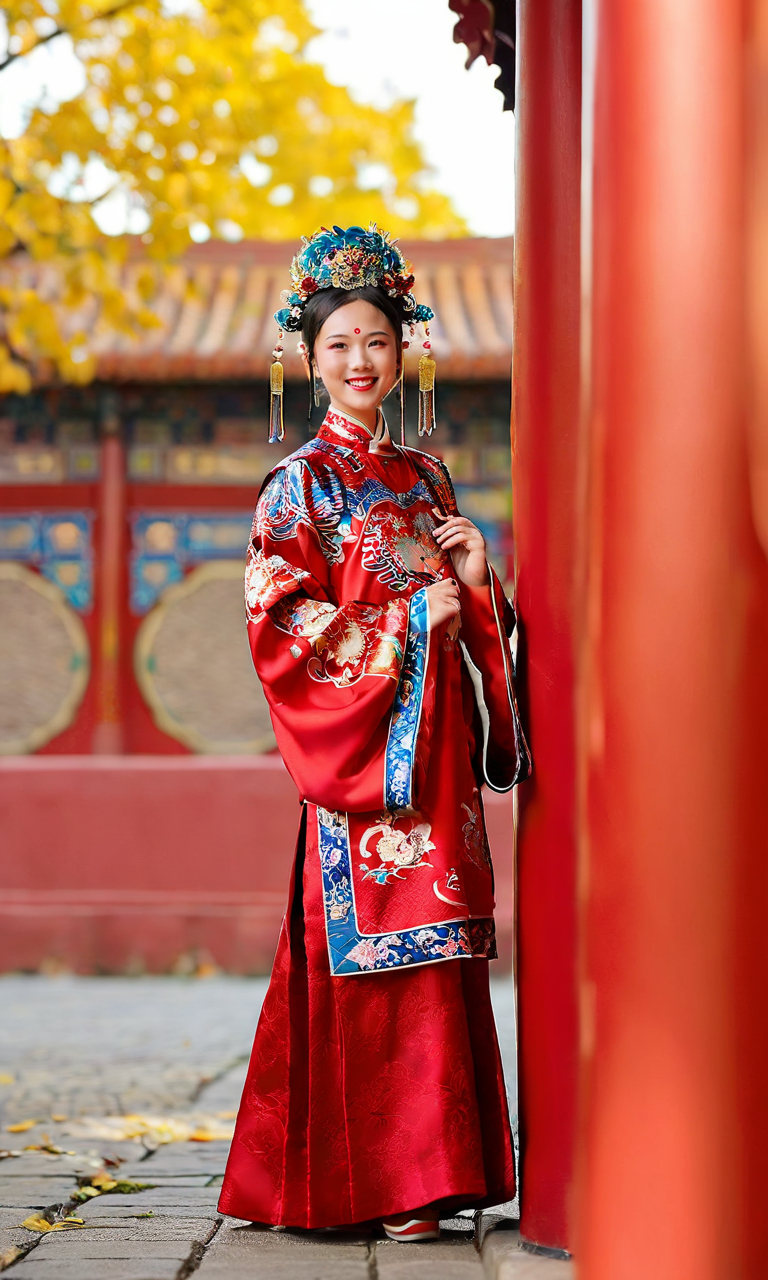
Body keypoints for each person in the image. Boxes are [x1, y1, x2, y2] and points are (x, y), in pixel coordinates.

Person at [218, 225, 530, 1242]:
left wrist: (478, 581)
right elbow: (279, 620)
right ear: (307, 361)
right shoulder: (297, 486)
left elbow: (472, 616)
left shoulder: (427, 481)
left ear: (405, 355)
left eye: (379, 343)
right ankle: (377, 1182)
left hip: (433, 751)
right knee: (372, 954)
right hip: (365, 761)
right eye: (341, 343)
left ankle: (436, 1176)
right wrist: (404, 622)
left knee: (440, 949)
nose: (362, 362)